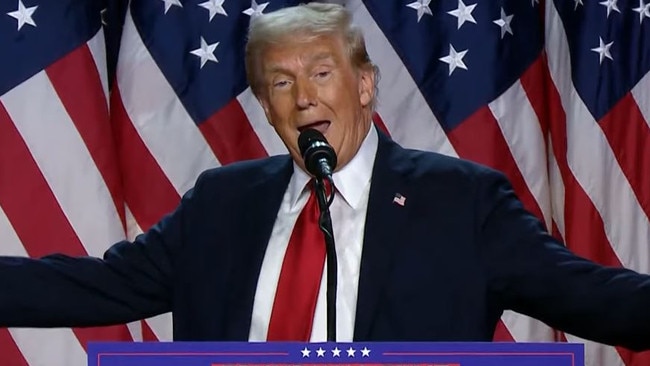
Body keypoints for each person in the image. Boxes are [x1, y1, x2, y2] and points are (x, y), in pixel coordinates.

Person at [1, 2, 650, 351]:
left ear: (365, 86)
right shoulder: (222, 205)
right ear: (266, 107)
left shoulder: (461, 201)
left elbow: (590, 295)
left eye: (321, 74)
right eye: (280, 83)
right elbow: (95, 288)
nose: (303, 98)